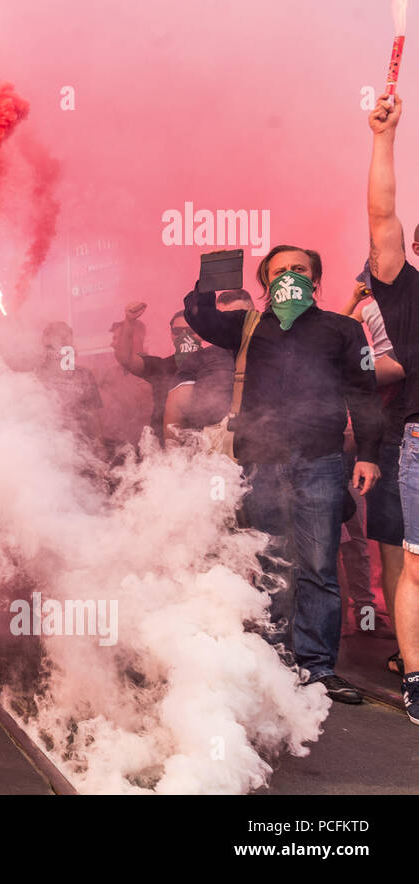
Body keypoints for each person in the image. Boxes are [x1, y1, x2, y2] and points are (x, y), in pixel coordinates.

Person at [184, 246, 381, 704]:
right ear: (264, 282)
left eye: (299, 270)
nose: (289, 277)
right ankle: (275, 665)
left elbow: (364, 393)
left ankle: (316, 669)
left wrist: (368, 454)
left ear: (316, 280)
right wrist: (213, 276)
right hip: (264, 461)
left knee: (318, 567)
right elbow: (199, 315)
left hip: (322, 462)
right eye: (279, 271)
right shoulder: (248, 326)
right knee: (274, 561)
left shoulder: (343, 329)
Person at [363, 91, 419, 722]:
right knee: (416, 567)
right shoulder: (406, 293)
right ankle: (415, 676)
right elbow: (384, 217)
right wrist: (384, 139)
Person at [342, 278, 404, 654]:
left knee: (369, 542)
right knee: (366, 541)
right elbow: (337, 336)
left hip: (383, 428)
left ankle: (375, 624)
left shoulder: (387, 303)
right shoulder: (371, 308)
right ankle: (391, 639)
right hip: (383, 429)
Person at [163, 289, 256, 438]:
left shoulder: (274, 351)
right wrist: (173, 452)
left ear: (255, 314)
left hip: (262, 445)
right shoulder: (198, 358)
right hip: (211, 451)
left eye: (241, 316)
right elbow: (176, 411)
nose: (235, 323)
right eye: (227, 318)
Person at [110, 303, 199, 441]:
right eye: (177, 331)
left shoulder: (216, 361)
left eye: (190, 330)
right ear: (171, 335)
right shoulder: (161, 366)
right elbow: (125, 358)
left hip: (203, 447)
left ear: (201, 332)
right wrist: (129, 321)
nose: (184, 335)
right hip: (163, 449)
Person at [37, 321, 103, 444]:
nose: (64, 339)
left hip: (81, 444)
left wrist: (100, 445)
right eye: (59, 335)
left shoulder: (84, 375)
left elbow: (93, 415)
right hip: (48, 444)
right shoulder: (36, 376)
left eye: (67, 337)